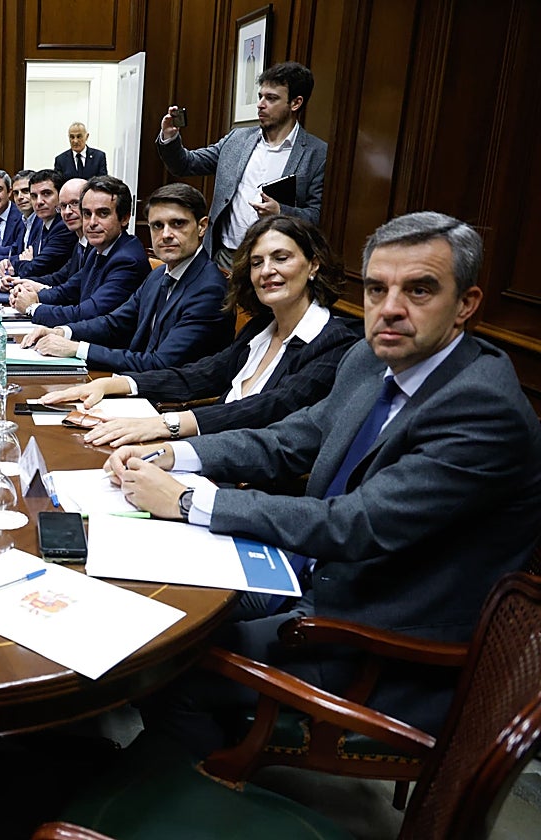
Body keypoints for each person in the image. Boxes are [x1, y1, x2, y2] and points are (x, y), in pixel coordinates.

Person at [112, 211, 541, 751]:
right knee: (144, 602)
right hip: (306, 573)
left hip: (374, 635)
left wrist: (191, 501)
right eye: (378, 288)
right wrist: (173, 453)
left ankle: (193, 789)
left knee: (160, 665)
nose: (390, 309)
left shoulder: (481, 408)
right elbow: (290, 438)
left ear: (466, 306)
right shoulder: (371, 358)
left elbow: (356, 524)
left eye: (420, 290)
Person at [41, 215, 360, 446]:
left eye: (281, 258)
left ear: (314, 265)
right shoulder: (263, 326)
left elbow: (269, 408)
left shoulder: (334, 343)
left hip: (243, 479)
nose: (267, 271)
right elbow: (202, 375)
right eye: (257, 262)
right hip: (201, 451)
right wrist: (115, 385)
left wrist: (165, 426)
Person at [22, 183, 233, 373]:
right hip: (132, 379)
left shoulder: (209, 288)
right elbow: (115, 322)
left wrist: (78, 349)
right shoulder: (160, 274)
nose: (166, 234)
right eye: (157, 226)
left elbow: (160, 364)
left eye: (177, 224)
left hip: (167, 403)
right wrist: (63, 332)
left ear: (202, 226)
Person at [156, 62, 327, 271]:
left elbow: (317, 216)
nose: (261, 105)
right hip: (223, 256)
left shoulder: (316, 153)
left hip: (273, 262)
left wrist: (280, 211)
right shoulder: (237, 139)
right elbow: (185, 164)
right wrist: (170, 137)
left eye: (271, 98)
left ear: (295, 103)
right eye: (260, 96)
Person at [9, 176, 146, 328]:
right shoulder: (98, 249)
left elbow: (88, 313)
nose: (92, 223)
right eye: (87, 213)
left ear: (125, 218)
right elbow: (69, 290)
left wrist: (32, 308)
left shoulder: (127, 259)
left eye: (103, 213)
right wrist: (30, 296)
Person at [0, 177, 86, 291]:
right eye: (34, 196)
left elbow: (37, 268)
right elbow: (58, 278)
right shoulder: (42, 225)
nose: (39, 202)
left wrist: (24, 266)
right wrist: (18, 283)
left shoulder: (64, 228)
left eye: (46, 194)